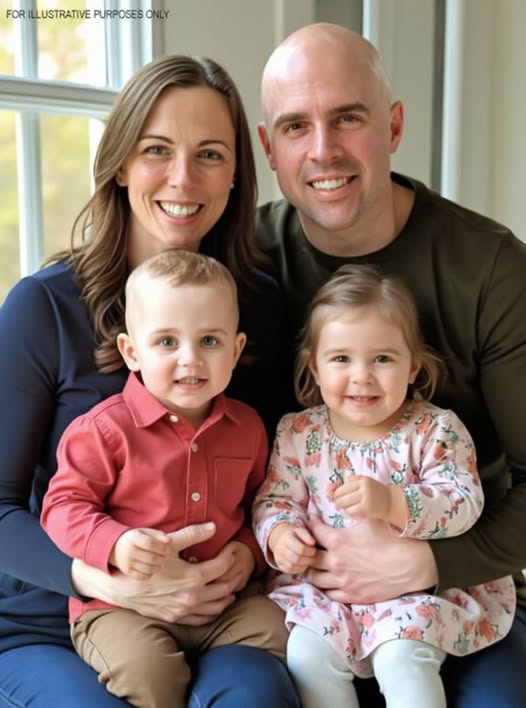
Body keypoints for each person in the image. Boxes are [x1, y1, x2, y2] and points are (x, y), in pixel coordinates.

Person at [0, 55, 298, 707]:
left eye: (210, 154)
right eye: (156, 149)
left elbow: (272, 477)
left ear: (236, 176)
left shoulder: (260, 305)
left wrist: (248, 556)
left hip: (215, 611)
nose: (183, 178)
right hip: (55, 618)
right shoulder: (42, 308)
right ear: (120, 163)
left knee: (254, 695)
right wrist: (103, 578)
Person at [255, 21, 526, 708]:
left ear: (394, 125)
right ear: (268, 147)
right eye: (296, 126)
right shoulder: (245, 258)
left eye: (348, 118)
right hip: (311, 599)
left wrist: (425, 562)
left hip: (456, 585)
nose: (323, 149)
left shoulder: (490, 267)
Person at [253, 264, 516, 708]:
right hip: (330, 595)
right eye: (341, 359)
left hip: (412, 595)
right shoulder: (299, 432)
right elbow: (274, 500)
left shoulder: (434, 430)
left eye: (382, 359)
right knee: (306, 655)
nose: (362, 376)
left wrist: (395, 502)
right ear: (313, 366)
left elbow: (462, 502)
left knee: (400, 657)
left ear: (413, 366)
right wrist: (281, 535)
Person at [41, 249, 288, 708]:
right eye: (167, 342)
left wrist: (249, 554)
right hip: (123, 608)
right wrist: (115, 543)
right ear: (131, 352)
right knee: (149, 672)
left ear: (236, 350)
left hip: (223, 605)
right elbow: (62, 507)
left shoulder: (249, 428)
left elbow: (262, 507)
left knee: (288, 630)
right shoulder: (104, 430)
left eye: (209, 341)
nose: (190, 359)